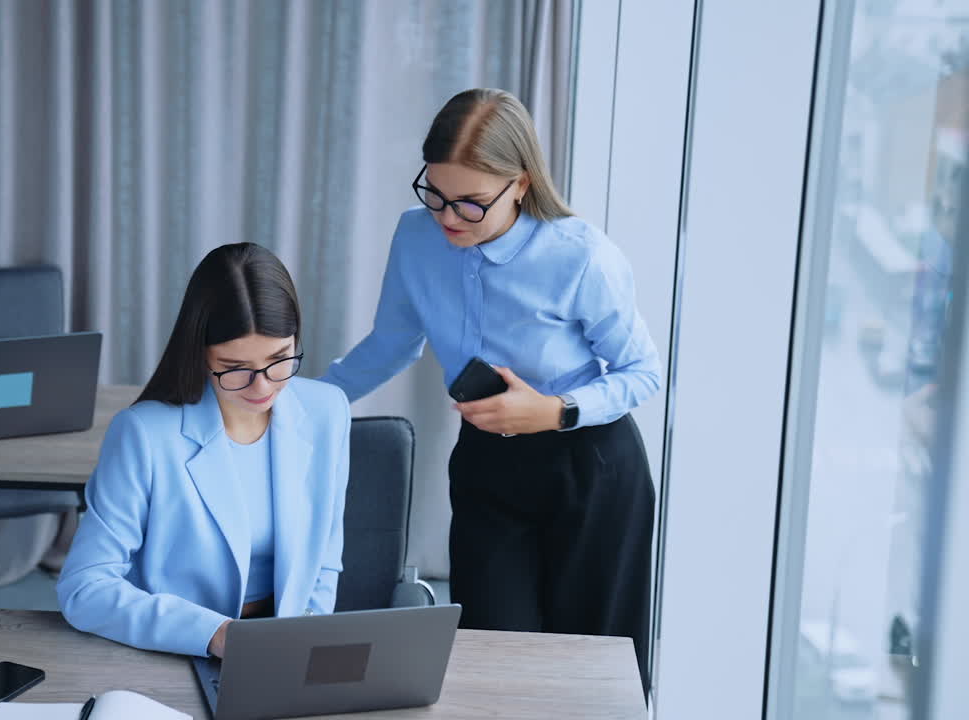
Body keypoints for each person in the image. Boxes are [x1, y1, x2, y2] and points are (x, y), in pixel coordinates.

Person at [319, 88, 660, 694]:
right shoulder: (416, 237)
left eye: (471, 204)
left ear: (521, 184)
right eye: (437, 195)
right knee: (492, 664)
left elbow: (642, 372)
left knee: (588, 677)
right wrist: (303, 404)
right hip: (487, 463)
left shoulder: (581, 256)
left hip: (591, 468)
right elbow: (393, 343)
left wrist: (556, 410)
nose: (448, 218)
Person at [58, 242, 351, 659]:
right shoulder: (143, 433)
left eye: (280, 359)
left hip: (286, 648)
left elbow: (323, 561)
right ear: (199, 353)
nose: (263, 386)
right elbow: (85, 587)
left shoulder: (327, 411)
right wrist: (215, 635)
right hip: (178, 647)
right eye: (235, 368)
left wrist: (305, 649)